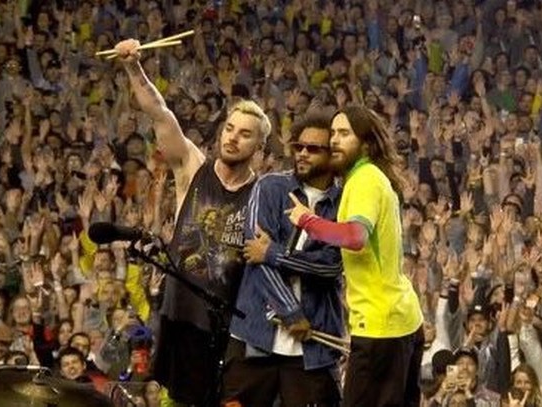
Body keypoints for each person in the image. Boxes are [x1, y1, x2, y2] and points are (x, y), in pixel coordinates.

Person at [112, 38, 271, 406]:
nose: (232, 137)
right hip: (181, 314)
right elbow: (160, 113)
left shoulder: (263, 194)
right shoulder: (192, 166)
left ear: (259, 148)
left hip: (228, 323)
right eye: (230, 128)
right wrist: (133, 67)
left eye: (244, 134)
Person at [286, 105, 424, 407]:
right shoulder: (367, 178)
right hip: (398, 320)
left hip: (380, 327)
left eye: (344, 133)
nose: (334, 140)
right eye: (333, 133)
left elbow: (354, 237)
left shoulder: (364, 179)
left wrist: (307, 221)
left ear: (366, 143)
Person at [224, 112, 344, 406]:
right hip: (255, 334)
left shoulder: (343, 202)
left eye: (313, 149)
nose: (302, 154)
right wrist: (291, 312)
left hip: (314, 344)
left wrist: (273, 252)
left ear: (332, 156)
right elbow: (255, 256)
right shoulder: (269, 187)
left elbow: (332, 265)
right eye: (298, 147)